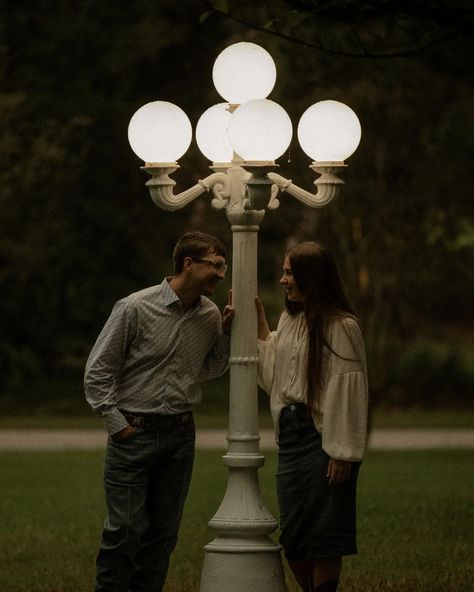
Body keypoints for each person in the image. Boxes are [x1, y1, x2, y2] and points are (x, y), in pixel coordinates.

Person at [84, 231, 235, 592]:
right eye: (215, 265)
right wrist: (116, 423)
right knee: (124, 532)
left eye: (223, 267)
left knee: (162, 535)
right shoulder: (135, 307)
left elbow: (207, 368)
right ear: (189, 263)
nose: (221, 274)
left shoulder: (210, 315)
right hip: (133, 434)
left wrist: (227, 335)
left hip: (180, 436)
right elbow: (98, 370)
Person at [256, 241, 368, 592]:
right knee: (294, 535)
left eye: (289, 272)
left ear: (310, 276)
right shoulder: (289, 320)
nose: (282, 280)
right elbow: (275, 375)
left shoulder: (342, 325)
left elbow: (349, 390)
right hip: (290, 436)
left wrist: (341, 452)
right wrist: (257, 322)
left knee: (324, 536)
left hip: (323, 438)